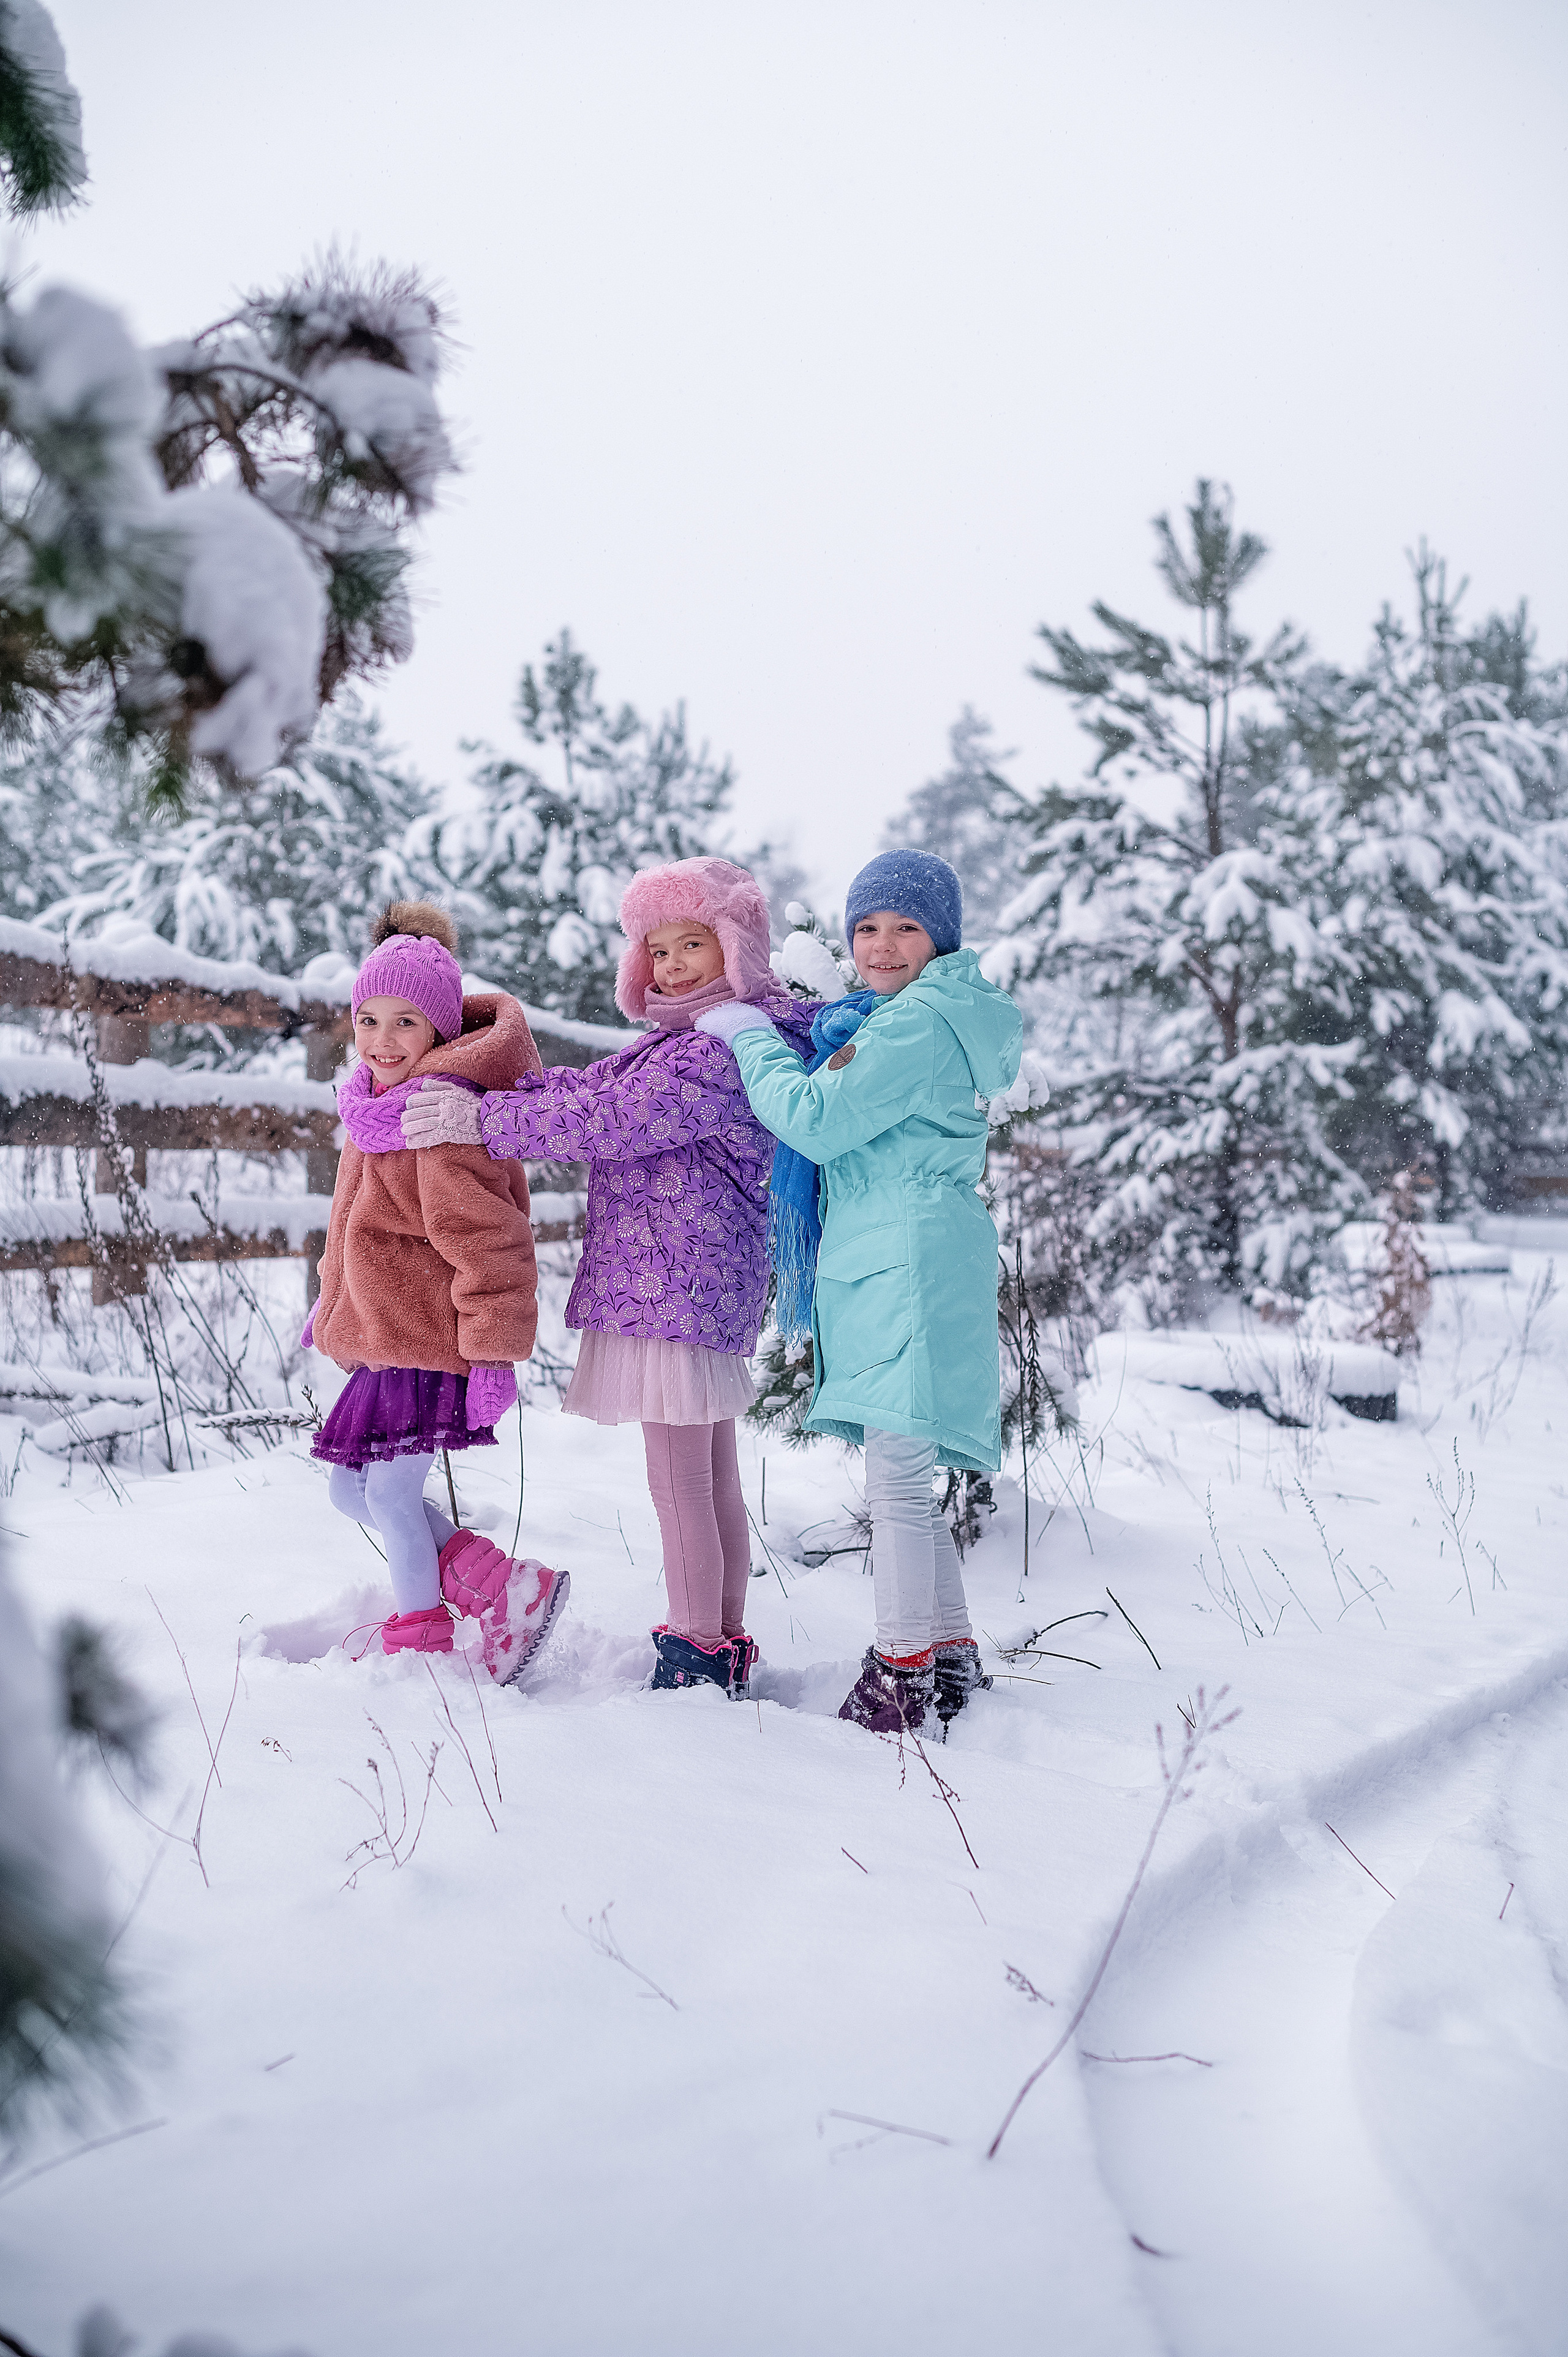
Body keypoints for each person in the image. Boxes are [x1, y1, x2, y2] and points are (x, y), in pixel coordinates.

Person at [402, 858, 815, 1699]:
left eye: (691, 944)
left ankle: (698, 1650)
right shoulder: (687, 1041)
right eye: (657, 949)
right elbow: (586, 1086)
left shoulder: (722, 1048)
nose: (670, 965)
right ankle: (724, 1636)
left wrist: (482, 1119)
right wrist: (494, 1077)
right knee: (709, 1479)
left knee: (679, 1484)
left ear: (735, 946)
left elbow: (605, 1119)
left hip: (675, 1286)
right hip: (686, 1285)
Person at [695, 849, 1022, 1737]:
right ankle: (947, 1652)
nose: (880, 945)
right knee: (907, 1469)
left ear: (940, 937)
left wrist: (749, 1037)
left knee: (900, 1480)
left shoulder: (913, 1027)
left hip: (903, 1254)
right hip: (918, 1245)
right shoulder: (931, 1017)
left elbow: (815, 1116)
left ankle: (902, 1671)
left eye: (905, 926)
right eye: (866, 927)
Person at [307, 902, 569, 1681]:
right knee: (349, 1493)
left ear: (442, 1033)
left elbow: (493, 1245)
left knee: (387, 1493)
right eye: (368, 1020)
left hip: (431, 1340)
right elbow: (351, 1228)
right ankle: (501, 1583)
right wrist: (331, 1305)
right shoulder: (372, 1111)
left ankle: (420, 1631)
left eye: (405, 1024)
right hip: (387, 1339)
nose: (381, 1042)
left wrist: (493, 1356)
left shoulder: (437, 1122)